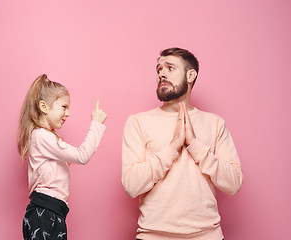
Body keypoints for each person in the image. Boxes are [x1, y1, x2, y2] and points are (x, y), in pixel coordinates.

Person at [122, 47, 243, 240]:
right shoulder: (138, 122)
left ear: (190, 75)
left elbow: (234, 183)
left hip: (207, 236)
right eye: (159, 69)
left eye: (170, 68)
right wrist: (173, 146)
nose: (161, 73)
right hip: (153, 236)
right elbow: (131, 185)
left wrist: (194, 144)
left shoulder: (215, 123)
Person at [18, 74, 107, 240]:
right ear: (44, 107)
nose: (67, 113)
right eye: (64, 107)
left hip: (55, 212)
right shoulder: (40, 136)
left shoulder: (46, 138)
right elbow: (82, 156)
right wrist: (96, 123)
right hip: (43, 213)